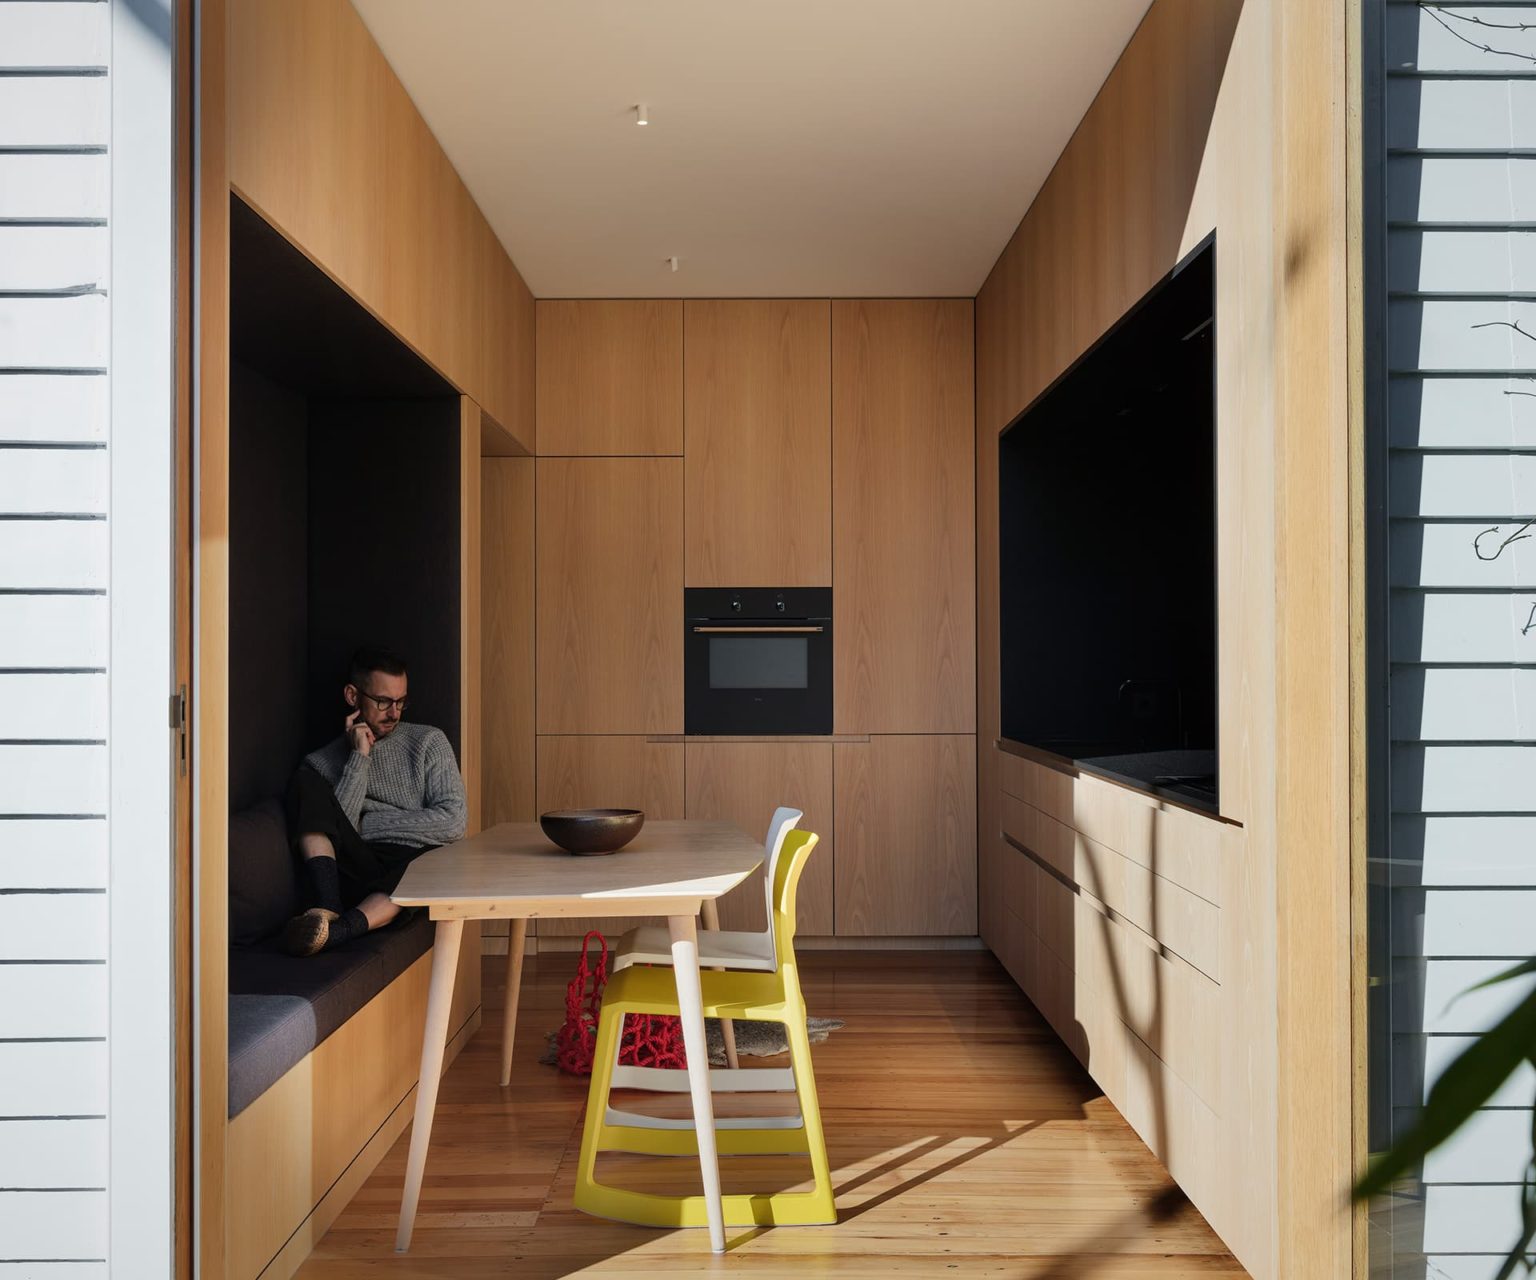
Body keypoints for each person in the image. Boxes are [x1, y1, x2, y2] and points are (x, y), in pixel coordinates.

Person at [281, 646, 467, 957]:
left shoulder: (428, 742)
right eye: (383, 702)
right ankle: (327, 904)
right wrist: (359, 757)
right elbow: (339, 834)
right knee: (304, 781)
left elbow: (454, 820)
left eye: (401, 702)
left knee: (424, 865)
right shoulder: (324, 762)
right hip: (352, 866)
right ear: (353, 696)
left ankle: (336, 931)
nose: (394, 713)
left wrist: (367, 822)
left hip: (409, 863)